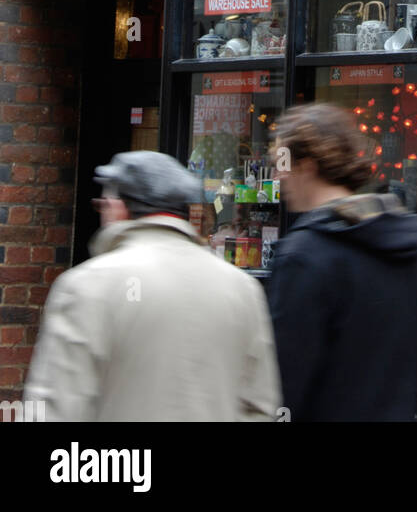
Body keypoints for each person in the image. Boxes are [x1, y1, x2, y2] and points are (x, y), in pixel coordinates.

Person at [24, 151, 281, 422]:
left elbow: (54, 408)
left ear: (119, 207)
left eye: (103, 204)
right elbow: (260, 406)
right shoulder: (243, 289)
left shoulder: (86, 285)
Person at [267, 102, 417, 421]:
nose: (278, 176)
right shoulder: (415, 243)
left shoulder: (303, 255)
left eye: (282, 164)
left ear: (308, 165)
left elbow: (286, 382)